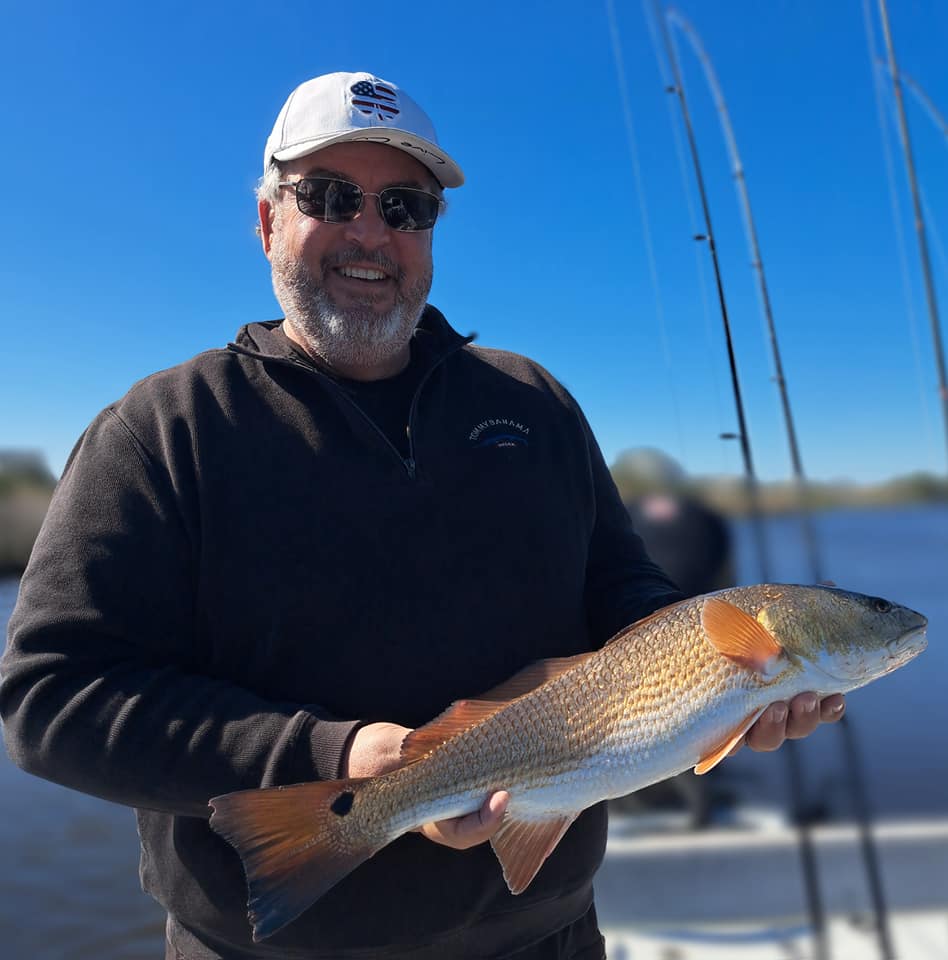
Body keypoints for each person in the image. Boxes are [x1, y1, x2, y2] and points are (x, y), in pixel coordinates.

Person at [0, 71, 845, 960]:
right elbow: (51, 696)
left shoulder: (536, 403)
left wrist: (722, 680)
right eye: (329, 196)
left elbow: (618, 584)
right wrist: (333, 757)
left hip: (547, 936)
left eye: (405, 206)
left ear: (431, 232)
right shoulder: (165, 430)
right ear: (266, 223)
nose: (371, 232)